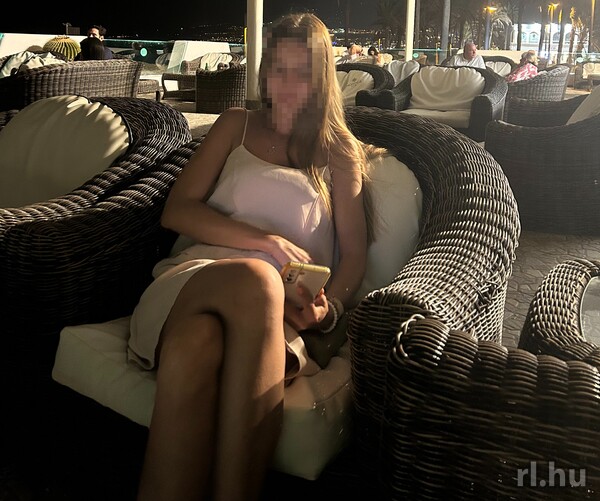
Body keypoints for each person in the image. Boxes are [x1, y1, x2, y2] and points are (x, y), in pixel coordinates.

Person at [128, 11, 380, 501]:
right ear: (264, 73)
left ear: (322, 78)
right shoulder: (236, 125)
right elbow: (177, 211)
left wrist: (330, 308)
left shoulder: (339, 153)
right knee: (259, 279)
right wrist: (265, 243)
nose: (286, 84)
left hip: (276, 321)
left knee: (196, 348)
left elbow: (353, 257)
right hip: (195, 280)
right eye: (277, 69)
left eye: (301, 72)